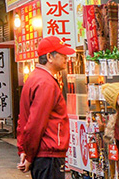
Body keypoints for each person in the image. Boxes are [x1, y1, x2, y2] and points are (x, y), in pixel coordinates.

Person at [17, 36, 74, 179]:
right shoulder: (45, 83)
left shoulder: (35, 78)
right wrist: (28, 155)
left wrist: (24, 150)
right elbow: (36, 123)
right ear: (49, 57)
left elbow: (24, 119)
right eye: (62, 54)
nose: (66, 58)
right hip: (48, 153)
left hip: (43, 153)